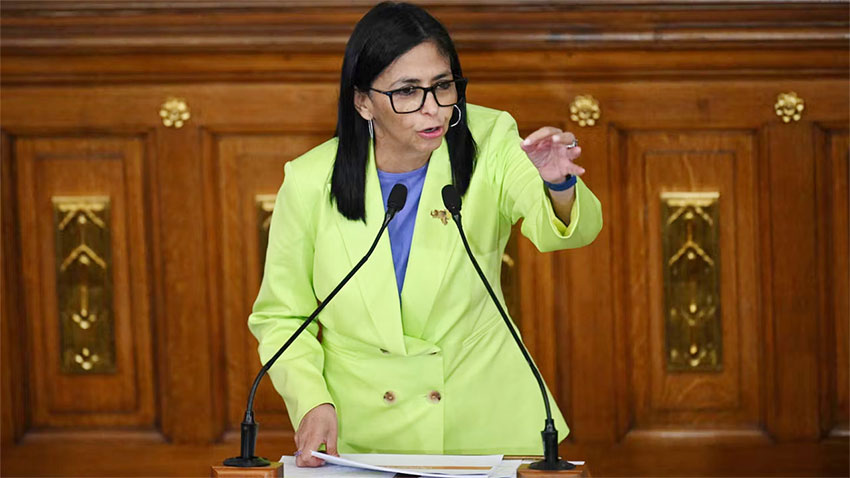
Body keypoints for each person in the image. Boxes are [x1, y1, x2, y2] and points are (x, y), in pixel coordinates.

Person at [248, 1, 602, 467]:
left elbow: (562, 233)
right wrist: (312, 400)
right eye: (408, 91)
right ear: (362, 101)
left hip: (484, 426)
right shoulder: (311, 180)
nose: (433, 109)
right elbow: (281, 316)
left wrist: (557, 184)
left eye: (442, 86)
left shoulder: (491, 140)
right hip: (363, 433)